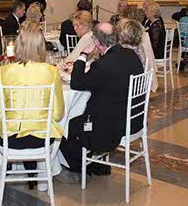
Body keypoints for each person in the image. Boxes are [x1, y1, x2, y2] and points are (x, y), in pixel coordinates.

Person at [58, 23, 144, 183]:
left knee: (67, 125)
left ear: (97, 42)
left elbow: (76, 83)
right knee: (83, 115)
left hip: (111, 127)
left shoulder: (102, 65)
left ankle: (78, 167)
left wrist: (83, 55)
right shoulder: (131, 55)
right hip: (134, 119)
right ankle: (96, 164)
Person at [0, 21, 65, 189]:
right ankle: (41, 177)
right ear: (41, 44)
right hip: (41, 139)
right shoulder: (51, 71)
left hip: (11, 138)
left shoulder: (5, 71)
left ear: (19, 43)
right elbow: (58, 114)